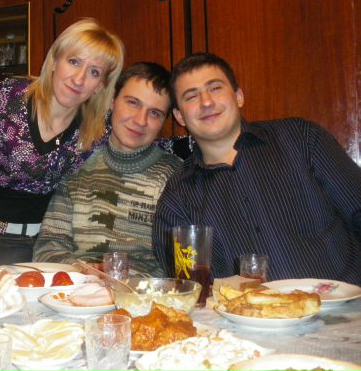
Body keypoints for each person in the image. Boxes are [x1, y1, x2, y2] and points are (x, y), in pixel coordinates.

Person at [153, 52, 361, 284]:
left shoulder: (301, 139)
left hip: (342, 304)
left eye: (215, 88)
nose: (206, 102)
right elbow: (187, 288)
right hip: (245, 308)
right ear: (180, 116)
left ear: (239, 96)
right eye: (192, 96)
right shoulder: (177, 198)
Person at [0, 18, 125, 264]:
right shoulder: (12, 94)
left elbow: (141, 146)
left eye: (94, 72)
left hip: (29, 242)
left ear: (100, 85)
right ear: (55, 61)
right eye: (74, 62)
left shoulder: (97, 129)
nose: (79, 78)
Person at [33, 62, 182, 276]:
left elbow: (179, 264)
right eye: (133, 103)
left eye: (155, 113)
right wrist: (85, 273)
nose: (140, 120)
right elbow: (48, 248)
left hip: (143, 292)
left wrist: (116, 277)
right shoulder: (77, 166)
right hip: (77, 288)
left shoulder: (176, 177)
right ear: (112, 101)